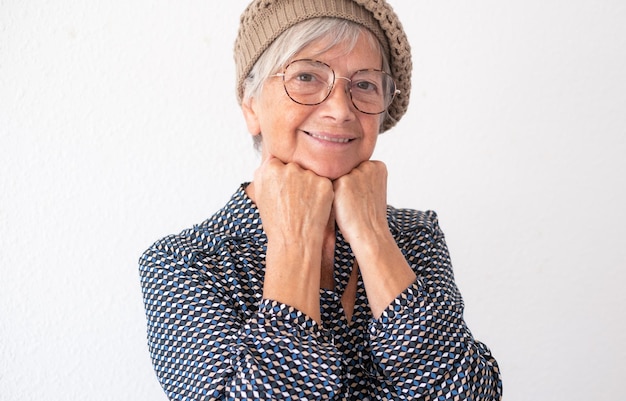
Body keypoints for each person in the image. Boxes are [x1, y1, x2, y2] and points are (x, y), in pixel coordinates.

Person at [138, 0, 503, 399]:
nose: (339, 110)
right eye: (307, 76)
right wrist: (294, 246)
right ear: (251, 106)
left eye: (363, 84)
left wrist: (373, 236)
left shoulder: (415, 236)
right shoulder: (185, 263)